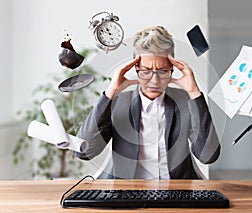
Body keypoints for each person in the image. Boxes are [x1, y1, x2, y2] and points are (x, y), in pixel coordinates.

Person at [75, 26, 220, 179]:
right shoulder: (118, 103)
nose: (154, 80)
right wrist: (110, 93)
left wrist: (194, 92)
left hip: (177, 192)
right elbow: (84, 151)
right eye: (145, 71)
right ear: (135, 67)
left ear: (173, 67)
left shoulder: (185, 101)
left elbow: (208, 156)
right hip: (128, 193)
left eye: (163, 71)